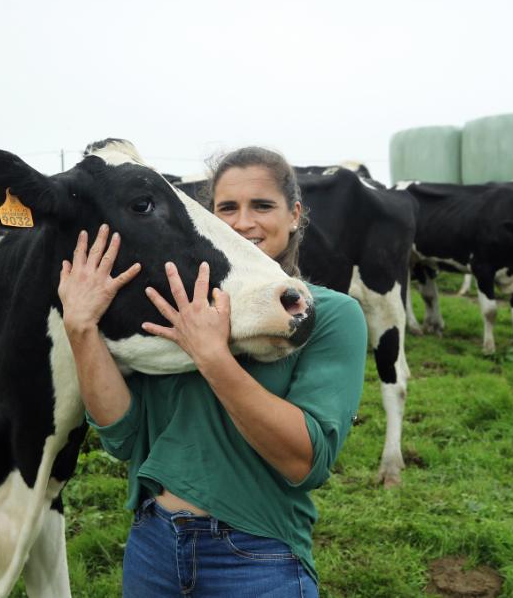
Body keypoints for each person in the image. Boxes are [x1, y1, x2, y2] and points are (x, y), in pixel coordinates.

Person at [57, 146, 368, 597]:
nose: (244, 222)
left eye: (262, 206)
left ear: (295, 214)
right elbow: (121, 437)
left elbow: (306, 462)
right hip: (152, 545)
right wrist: (81, 327)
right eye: (227, 208)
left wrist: (213, 356)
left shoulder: (329, 314)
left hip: (258, 557)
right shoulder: (176, 305)